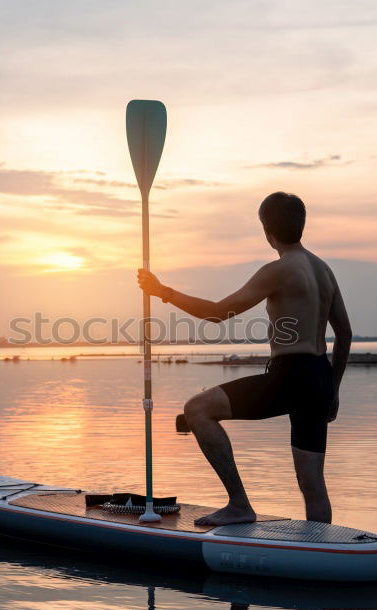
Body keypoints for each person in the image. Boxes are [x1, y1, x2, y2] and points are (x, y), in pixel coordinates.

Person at [137, 192, 351, 526]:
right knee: (313, 486)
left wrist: (163, 291)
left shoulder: (278, 270)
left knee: (198, 409)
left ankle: (239, 505)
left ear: (267, 233)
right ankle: (325, 553)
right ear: (302, 225)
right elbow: (345, 334)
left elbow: (218, 313)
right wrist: (333, 390)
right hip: (319, 377)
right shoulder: (325, 271)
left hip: (289, 376)